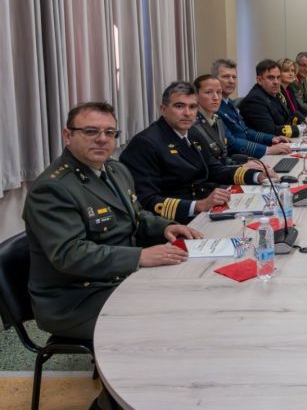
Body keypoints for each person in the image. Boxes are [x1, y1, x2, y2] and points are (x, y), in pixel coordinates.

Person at [23, 102, 202, 341]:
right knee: (170, 315)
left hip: (117, 278)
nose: (102, 139)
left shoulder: (115, 170)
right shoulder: (52, 189)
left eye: (109, 132)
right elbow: (70, 254)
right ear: (67, 136)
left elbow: (136, 216)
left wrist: (166, 227)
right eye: (90, 131)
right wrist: (139, 256)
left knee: (192, 289)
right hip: (75, 299)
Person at [120, 82, 267, 224]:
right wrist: (199, 205)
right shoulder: (145, 144)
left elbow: (215, 169)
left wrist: (256, 176)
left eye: (192, 107)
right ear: (163, 109)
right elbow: (146, 200)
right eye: (179, 106)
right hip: (175, 222)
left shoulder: (192, 134)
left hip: (205, 210)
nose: (187, 113)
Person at [211, 58, 292, 158]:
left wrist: (272, 138)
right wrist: (267, 150)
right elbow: (231, 142)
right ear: (214, 80)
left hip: (246, 154)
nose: (231, 81)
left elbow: (246, 131)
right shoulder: (214, 108)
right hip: (236, 158)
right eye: (226, 76)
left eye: (234, 77)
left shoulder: (229, 103)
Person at [240, 59, 306, 138]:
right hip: (263, 144)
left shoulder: (274, 94)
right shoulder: (255, 100)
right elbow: (270, 131)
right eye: (271, 78)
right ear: (259, 80)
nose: (276, 82)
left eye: (278, 77)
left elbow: (286, 119)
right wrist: (301, 128)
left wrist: (304, 122)